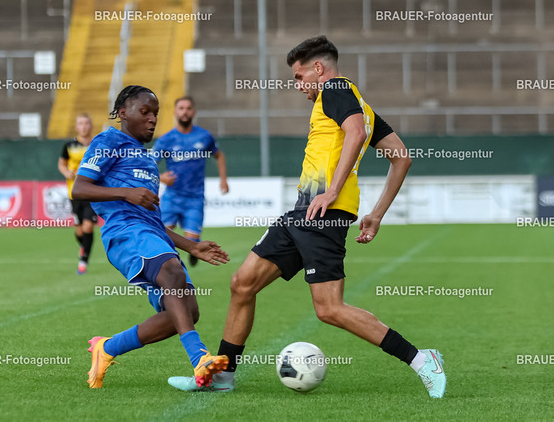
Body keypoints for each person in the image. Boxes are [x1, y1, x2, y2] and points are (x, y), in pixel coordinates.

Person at [168, 36, 446, 398]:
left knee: (329, 309)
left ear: (318, 69)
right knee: (242, 283)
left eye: (299, 77)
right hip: (302, 214)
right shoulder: (357, 103)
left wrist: (332, 191)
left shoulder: (335, 89)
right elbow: (401, 157)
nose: (298, 85)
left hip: (324, 214)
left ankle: (423, 360)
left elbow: (357, 133)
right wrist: (376, 214)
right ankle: (222, 376)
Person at [71, 85, 229, 389]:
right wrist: (126, 193)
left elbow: (154, 222)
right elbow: (79, 188)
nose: (152, 119)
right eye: (145, 112)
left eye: (155, 113)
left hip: (149, 233)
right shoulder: (108, 141)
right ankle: (199, 358)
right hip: (123, 231)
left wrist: (192, 246)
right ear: (123, 113)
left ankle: (107, 348)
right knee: (171, 272)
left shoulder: (146, 161)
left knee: (187, 311)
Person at [151, 96, 229, 267]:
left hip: (195, 198)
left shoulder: (204, 136)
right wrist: (161, 177)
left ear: (194, 112)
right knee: (161, 236)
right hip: (172, 196)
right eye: (181, 108)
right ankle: (168, 265)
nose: (184, 112)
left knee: (192, 243)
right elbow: (148, 164)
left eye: (188, 108)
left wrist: (223, 180)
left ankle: (194, 249)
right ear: (175, 112)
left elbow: (219, 155)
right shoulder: (166, 139)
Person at [58, 113, 98, 275]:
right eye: (80, 123)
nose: (83, 127)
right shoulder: (69, 146)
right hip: (74, 193)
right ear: (76, 127)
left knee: (88, 226)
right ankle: (84, 246)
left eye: (86, 123)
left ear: (91, 126)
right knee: (79, 231)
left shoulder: (97, 145)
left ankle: (83, 262)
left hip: (92, 193)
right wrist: (66, 173)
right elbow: (62, 164)